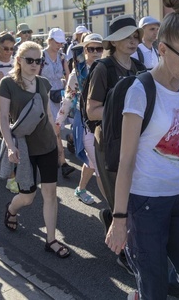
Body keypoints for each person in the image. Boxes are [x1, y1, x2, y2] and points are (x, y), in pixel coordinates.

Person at [105, 0, 179, 300]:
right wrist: (120, 219)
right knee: (153, 287)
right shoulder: (140, 91)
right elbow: (126, 162)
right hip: (145, 203)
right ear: (162, 49)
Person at [0, 41, 70, 258]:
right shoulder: (8, 84)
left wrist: (58, 146)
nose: (35, 64)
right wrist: (10, 147)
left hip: (46, 144)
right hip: (24, 148)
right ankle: (11, 208)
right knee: (27, 196)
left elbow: (48, 116)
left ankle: (51, 240)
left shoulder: (43, 83)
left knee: (50, 194)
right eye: (30, 60)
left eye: (39, 61)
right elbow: (2, 118)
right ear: (19, 60)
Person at [86, 14, 145, 274]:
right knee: (120, 199)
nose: (133, 41)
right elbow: (91, 110)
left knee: (133, 197)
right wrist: (124, 110)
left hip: (134, 141)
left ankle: (112, 218)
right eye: (128, 36)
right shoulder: (103, 68)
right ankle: (124, 253)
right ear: (115, 40)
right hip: (109, 142)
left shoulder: (138, 67)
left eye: (136, 36)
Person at [56, 33, 105, 205]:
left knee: (92, 162)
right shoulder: (77, 74)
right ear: (84, 50)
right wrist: (58, 123)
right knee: (100, 166)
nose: (96, 52)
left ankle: (81, 189)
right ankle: (115, 208)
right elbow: (68, 100)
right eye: (91, 48)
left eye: (99, 48)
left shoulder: (108, 69)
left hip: (104, 123)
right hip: (85, 123)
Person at [41, 28, 75, 178]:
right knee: (56, 129)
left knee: (57, 128)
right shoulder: (40, 56)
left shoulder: (62, 57)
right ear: (49, 40)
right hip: (45, 96)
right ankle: (63, 162)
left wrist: (69, 94)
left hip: (60, 96)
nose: (60, 45)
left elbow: (68, 76)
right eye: (57, 42)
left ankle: (52, 154)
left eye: (61, 42)